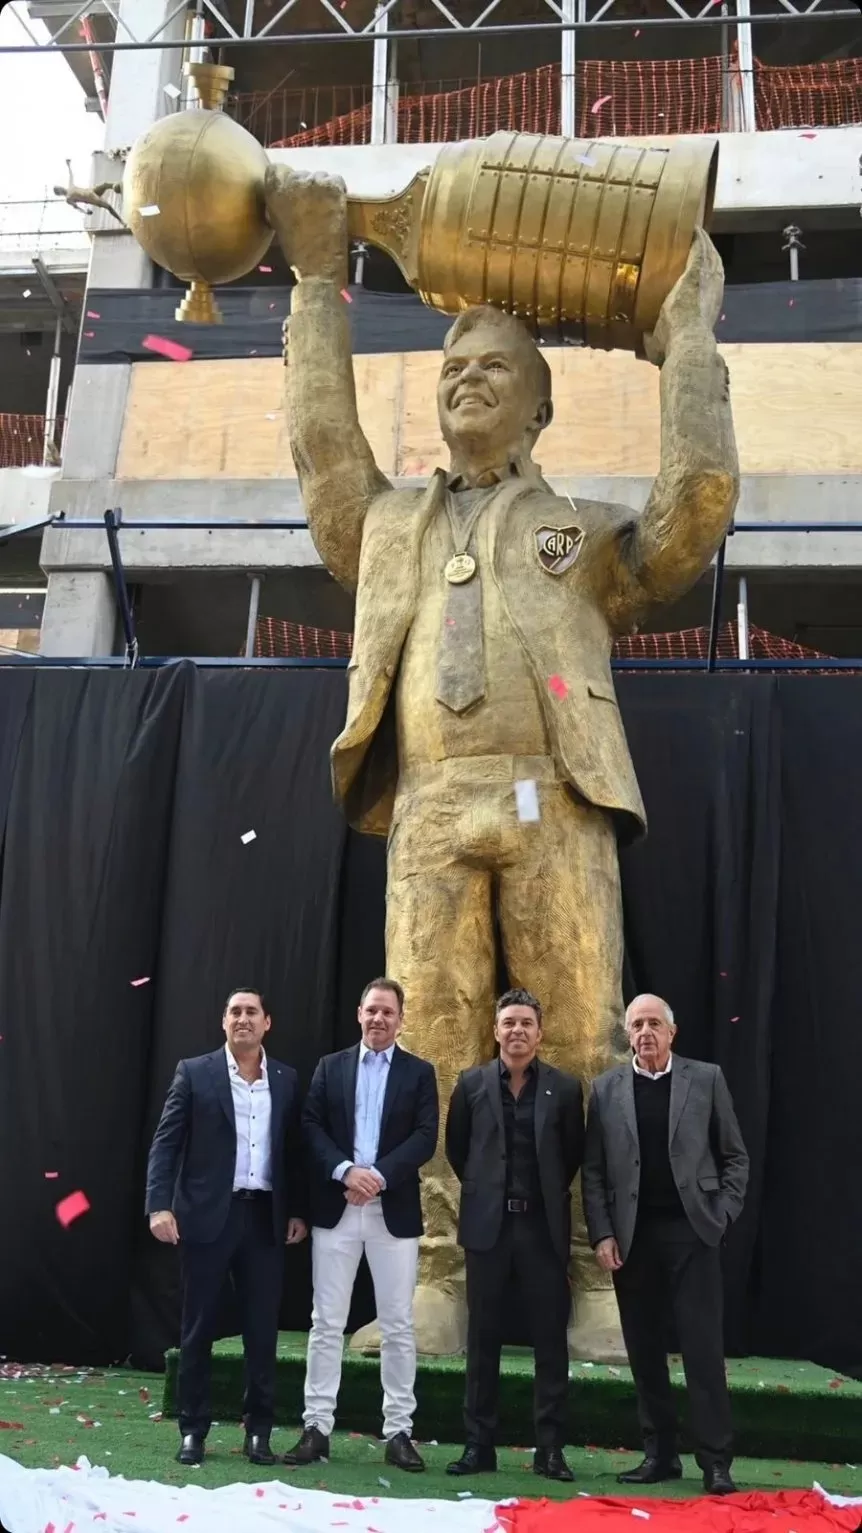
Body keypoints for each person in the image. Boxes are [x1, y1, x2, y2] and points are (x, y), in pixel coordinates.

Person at [264, 163, 739, 1361]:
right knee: (427, 1045)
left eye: (494, 369)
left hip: (556, 802)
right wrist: (316, 282)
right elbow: (325, 456)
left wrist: (688, 343)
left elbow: (692, 510)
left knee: (581, 1042)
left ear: (540, 407)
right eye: (451, 368)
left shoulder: (578, 532)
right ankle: (434, 1275)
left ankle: (591, 1275)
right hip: (430, 807)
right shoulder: (389, 529)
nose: (466, 379)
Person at [583, 993, 749, 1495]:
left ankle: (715, 1462)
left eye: (654, 1023)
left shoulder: (706, 1079)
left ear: (672, 1032)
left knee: (702, 1350)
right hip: (633, 1239)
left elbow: (734, 1157)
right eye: (636, 1025)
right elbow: (594, 1172)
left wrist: (720, 1215)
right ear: (627, 1035)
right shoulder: (606, 1089)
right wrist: (603, 1233)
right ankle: (659, 1455)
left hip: (692, 1233)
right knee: (644, 1349)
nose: (645, 1033)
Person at [146, 987, 307, 1467]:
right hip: (206, 1217)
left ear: (267, 1022)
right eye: (235, 1011)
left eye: (251, 1012)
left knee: (262, 1331)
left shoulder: (286, 1079)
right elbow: (166, 1143)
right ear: (223, 1022)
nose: (243, 1019)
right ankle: (192, 1430)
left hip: (265, 1219)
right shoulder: (195, 1073)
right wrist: (159, 1206)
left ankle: (258, 1432)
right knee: (198, 1329)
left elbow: (294, 1152)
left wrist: (298, 1210)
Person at [284, 978, 438, 1472]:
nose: (379, 1019)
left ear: (401, 1020)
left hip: (392, 1213)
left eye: (388, 1012)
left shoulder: (420, 1073)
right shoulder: (331, 1067)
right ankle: (316, 1427)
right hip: (338, 1207)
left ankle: (399, 1431)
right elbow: (310, 1127)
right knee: (326, 1321)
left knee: (397, 1324)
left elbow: (425, 1136)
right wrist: (346, 1172)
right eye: (372, 1010)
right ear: (359, 1013)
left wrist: (377, 1178)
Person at [444, 989, 584, 1482]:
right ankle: (479, 1446)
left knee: (550, 1341)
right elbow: (459, 1151)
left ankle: (550, 1449)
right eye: (509, 1022)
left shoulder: (564, 1089)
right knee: (483, 1339)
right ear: (496, 1030)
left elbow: (571, 1155)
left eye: (526, 1023)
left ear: (540, 1033)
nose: (517, 1030)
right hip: (489, 1229)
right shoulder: (471, 1084)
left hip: (542, 1230)